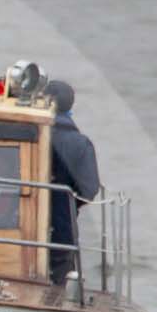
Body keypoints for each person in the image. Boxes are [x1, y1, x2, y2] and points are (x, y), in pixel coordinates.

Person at [44, 79, 103, 284]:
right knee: (59, 280)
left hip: (14, 222)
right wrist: (69, 202)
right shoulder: (80, 143)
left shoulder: (28, 131)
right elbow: (90, 188)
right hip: (62, 225)